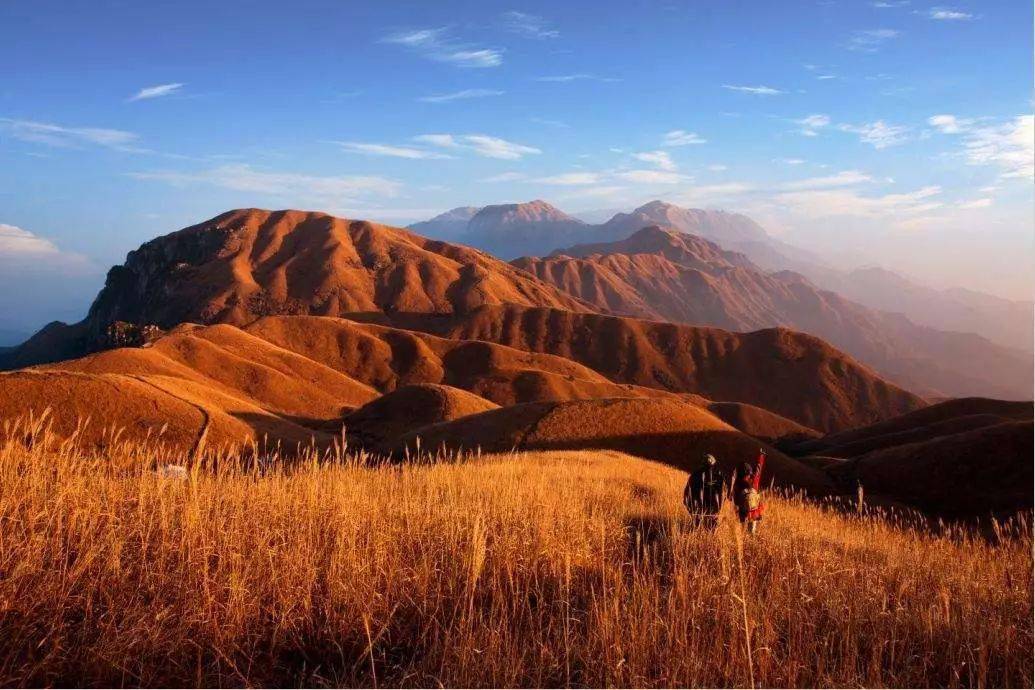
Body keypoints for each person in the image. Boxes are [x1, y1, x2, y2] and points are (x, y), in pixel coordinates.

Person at [683, 453, 728, 530]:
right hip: (710, 510)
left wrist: (692, 509)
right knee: (709, 530)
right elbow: (723, 493)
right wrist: (719, 509)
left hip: (701, 510)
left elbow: (687, 494)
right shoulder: (718, 475)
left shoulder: (695, 475)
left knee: (699, 529)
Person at [733, 450, 767, 534]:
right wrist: (761, 456)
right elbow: (759, 468)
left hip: (742, 514)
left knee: (742, 533)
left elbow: (735, 501)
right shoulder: (754, 481)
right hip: (754, 512)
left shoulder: (737, 483)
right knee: (751, 533)